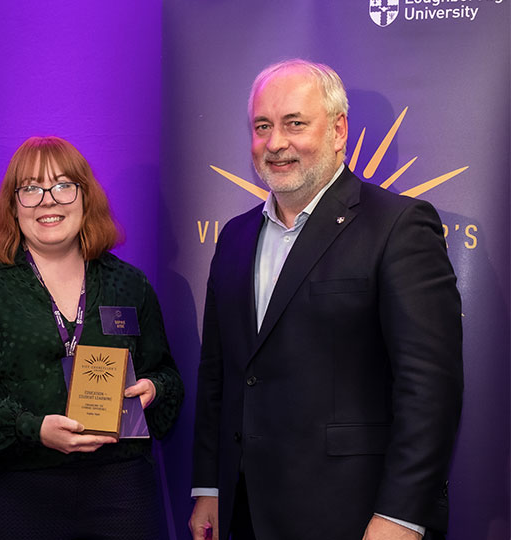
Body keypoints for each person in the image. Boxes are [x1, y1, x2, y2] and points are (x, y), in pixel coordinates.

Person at [188, 59, 463, 540]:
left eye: (295, 123)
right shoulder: (234, 238)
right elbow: (220, 374)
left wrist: (401, 515)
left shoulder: (398, 227)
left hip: (356, 516)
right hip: (247, 512)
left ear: (338, 131)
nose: (276, 143)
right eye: (262, 126)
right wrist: (208, 486)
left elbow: (430, 390)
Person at [0, 136, 184, 540]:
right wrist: (33, 429)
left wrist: (153, 389)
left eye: (64, 185)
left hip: (119, 492)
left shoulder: (129, 285)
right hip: (9, 493)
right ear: (12, 206)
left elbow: (166, 376)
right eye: (31, 189)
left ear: (86, 198)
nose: (49, 200)